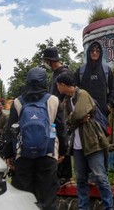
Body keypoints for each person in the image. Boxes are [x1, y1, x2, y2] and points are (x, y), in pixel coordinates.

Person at [3, 67, 66, 210]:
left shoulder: (18, 102)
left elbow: (10, 130)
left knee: (23, 197)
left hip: (23, 155)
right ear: (45, 81)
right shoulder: (54, 100)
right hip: (48, 153)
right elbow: (61, 129)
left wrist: (8, 154)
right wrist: (62, 150)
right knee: (47, 196)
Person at [55, 74, 114, 210]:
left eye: (58, 85)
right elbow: (65, 121)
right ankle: (83, 207)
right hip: (76, 145)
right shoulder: (65, 101)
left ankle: (109, 207)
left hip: (92, 141)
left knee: (100, 177)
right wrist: (75, 119)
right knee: (81, 179)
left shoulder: (82, 94)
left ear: (63, 84)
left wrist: (75, 118)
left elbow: (79, 113)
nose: (57, 87)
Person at [74, 41, 114, 171]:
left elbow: (113, 90)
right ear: (88, 53)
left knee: (102, 143)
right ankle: (87, 172)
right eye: (92, 51)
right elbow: (74, 92)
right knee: (86, 142)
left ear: (100, 53)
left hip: (102, 114)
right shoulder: (80, 72)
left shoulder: (106, 70)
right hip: (85, 115)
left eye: (97, 51)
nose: (94, 53)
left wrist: (109, 105)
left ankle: (102, 172)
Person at [42, 47, 73, 185]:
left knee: (62, 139)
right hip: (54, 111)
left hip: (61, 112)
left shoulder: (64, 73)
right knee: (56, 141)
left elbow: (65, 94)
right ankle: (58, 173)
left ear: (50, 60)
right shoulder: (55, 73)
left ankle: (65, 175)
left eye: (46, 61)